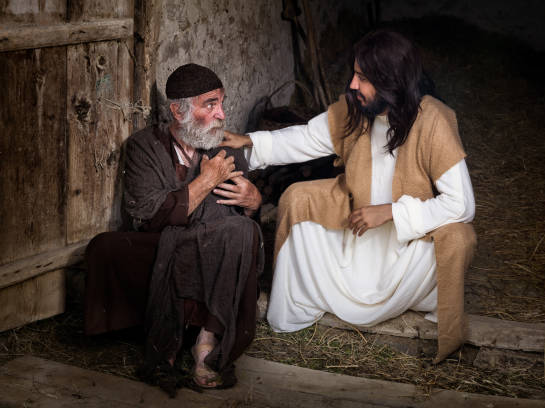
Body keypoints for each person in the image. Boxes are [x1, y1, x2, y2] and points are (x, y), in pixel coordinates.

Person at [222, 29, 477, 363]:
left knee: (458, 236)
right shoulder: (355, 110)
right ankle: (308, 299)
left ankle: (412, 297)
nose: (353, 85)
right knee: (298, 197)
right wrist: (250, 143)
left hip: (407, 253)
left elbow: (462, 204)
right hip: (355, 242)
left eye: (363, 77)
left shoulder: (433, 120)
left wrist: (391, 212)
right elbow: (305, 138)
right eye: (354, 74)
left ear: (391, 81)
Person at [84, 63, 263, 394]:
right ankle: (165, 345)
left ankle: (206, 344)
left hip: (211, 245)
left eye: (222, 102)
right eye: (210, 104)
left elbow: (239, 221)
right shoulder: (142, 147)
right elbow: (149, 216)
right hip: (161, 247)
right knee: (108, 246)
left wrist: (254, 201)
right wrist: (207, 180)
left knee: (242, 232)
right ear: (178, 111)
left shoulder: (227, 147)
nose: (222, 114)